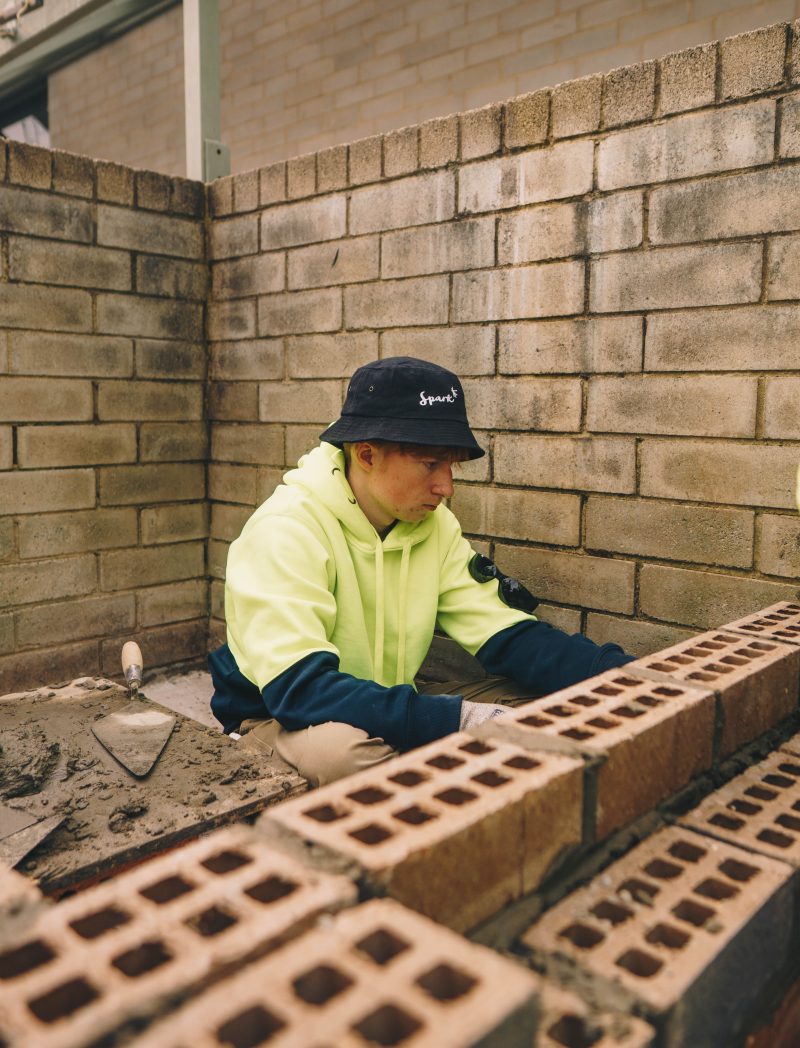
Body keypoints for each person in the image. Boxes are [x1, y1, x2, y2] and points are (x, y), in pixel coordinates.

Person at [209, 356, 634, 785]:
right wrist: (456, 720)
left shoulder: (432, 526)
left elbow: (509, 636)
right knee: (345, 757)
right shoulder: (286, 530)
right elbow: (300, 690)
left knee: (550, 709)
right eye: (431, 464)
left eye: (451, 466)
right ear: (367, 454)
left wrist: (628, 678)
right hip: (277, 715)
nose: (446, 487)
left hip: (383, 699)